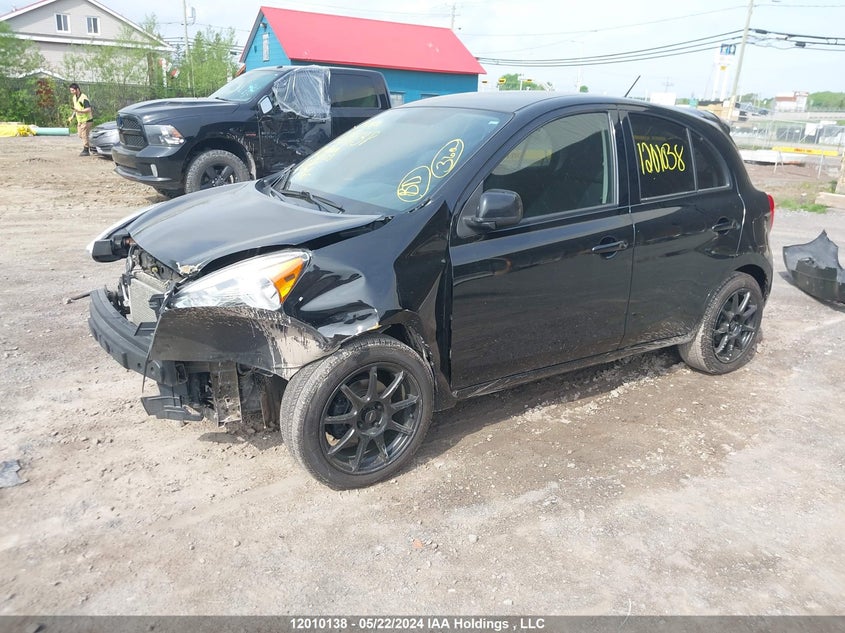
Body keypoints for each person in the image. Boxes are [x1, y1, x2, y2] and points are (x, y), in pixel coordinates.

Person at [68, 83, 94, 156]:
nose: (71, 92)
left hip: (87, 119)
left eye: (72, 90)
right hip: (80, 120)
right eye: (71, 90)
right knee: (80, 135)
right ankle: (92, 143)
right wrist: (72, 116)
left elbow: (88, 109)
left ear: (77, 89)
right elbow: (75, 109)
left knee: (84, 135)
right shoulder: (74, 97)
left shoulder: (83, 98)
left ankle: (86, 150)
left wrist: (80, 111)